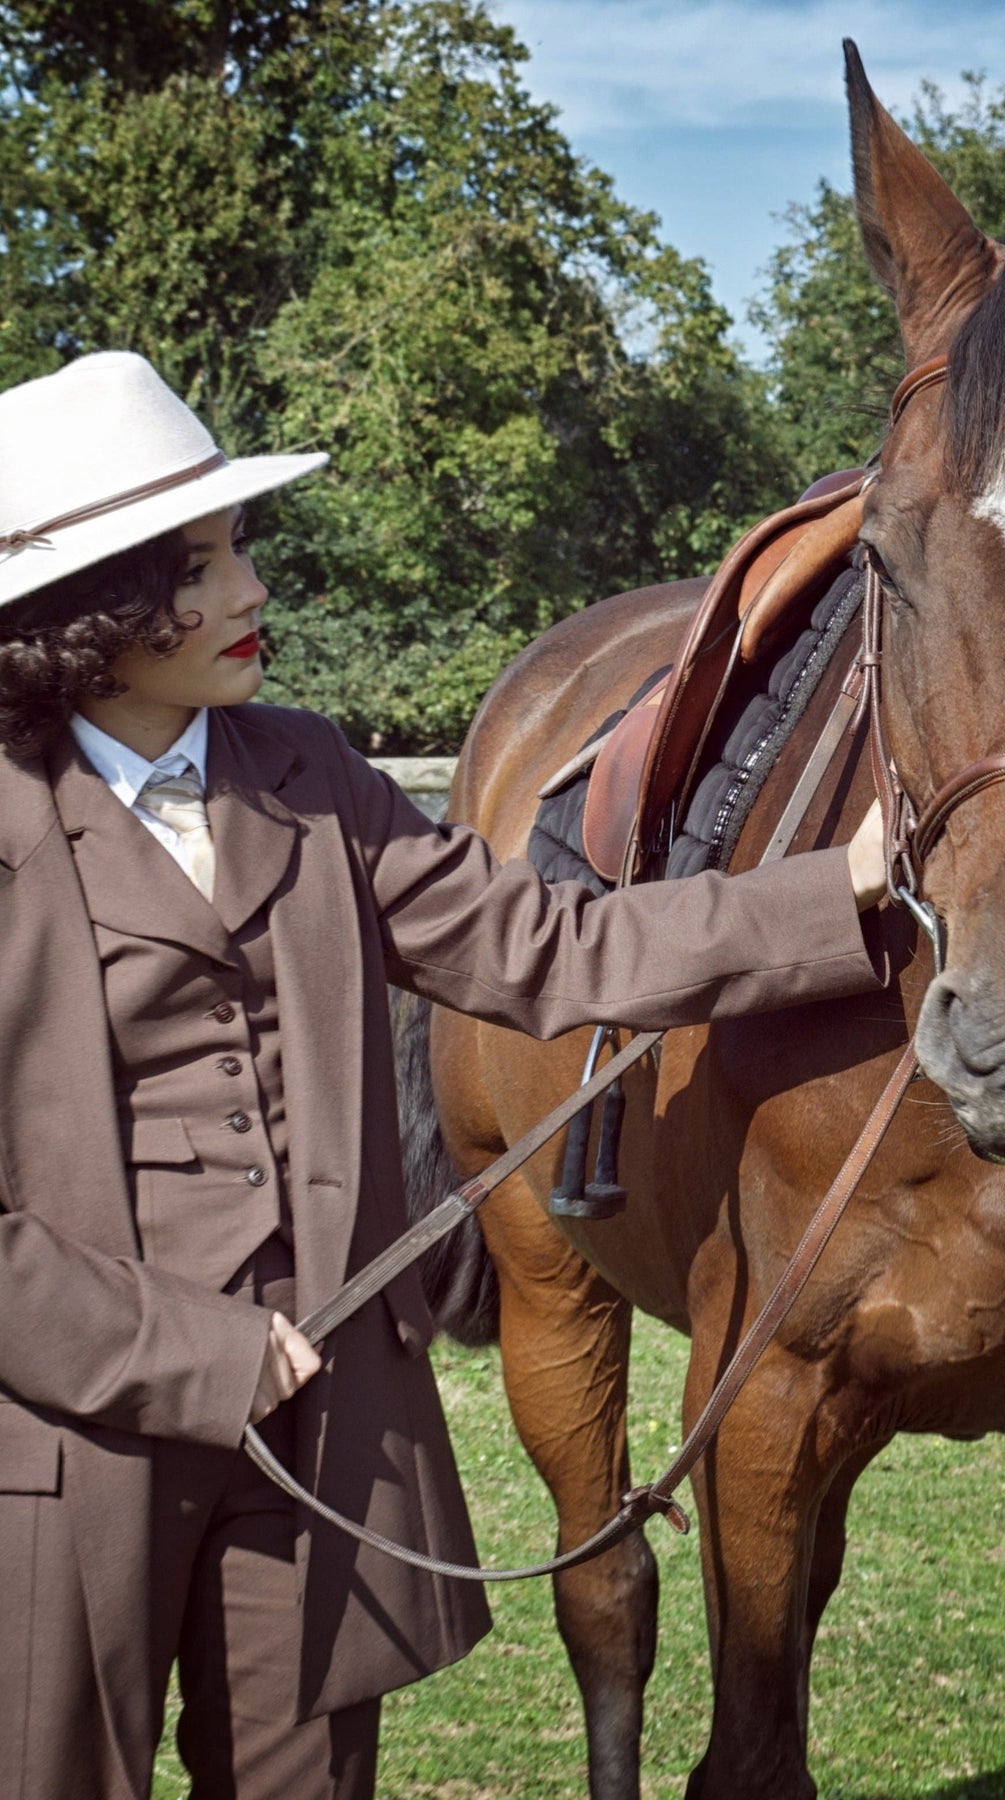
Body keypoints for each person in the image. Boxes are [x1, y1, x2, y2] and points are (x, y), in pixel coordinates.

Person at [0, 351, 887, 1800]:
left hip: (320, 1418)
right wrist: (196, 1357)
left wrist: (833, 892)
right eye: (200, 568)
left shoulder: (308, 774)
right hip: (61, 1443)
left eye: (240, 549)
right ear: (88, 618)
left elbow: (554, 947)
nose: (253, 592)